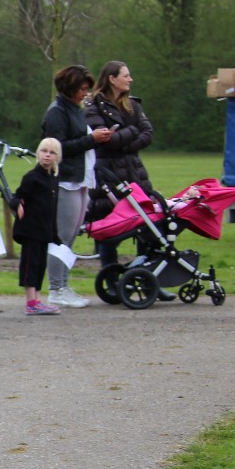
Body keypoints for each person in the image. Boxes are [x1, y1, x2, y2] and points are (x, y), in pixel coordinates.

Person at [42, 65, 111, 307]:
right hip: (65, 181)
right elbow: (58, 147)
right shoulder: (57, 112)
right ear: (70, 88)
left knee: (71, 237)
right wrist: (91, 139)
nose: (85, 93)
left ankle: (63, 284)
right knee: (62, 237)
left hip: (80, 179)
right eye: (82, 89)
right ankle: (56, 288)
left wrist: (93, 138)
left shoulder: (74, 109)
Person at [84, 60, 154, 268]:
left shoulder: (133, 105)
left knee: (146, 222)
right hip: (108, 175)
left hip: (135, 173)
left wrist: (123, 143)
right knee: (109, 228)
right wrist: (132, 131)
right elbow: (106, 140)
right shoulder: (93, 107)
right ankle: (110, 277)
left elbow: (148, 133)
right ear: (112, 79)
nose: (130, 79)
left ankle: (144, 273)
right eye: (126, 76)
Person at [14, 138, 63, 315]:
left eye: (52, 152)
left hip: (44, 231)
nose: (47, 155)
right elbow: (17, 196)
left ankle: (38, 300)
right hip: (30, 230)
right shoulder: (31, 178)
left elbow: (52, 209)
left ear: (57, 157)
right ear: (38, 153)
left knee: (41, 265)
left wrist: (54, 233)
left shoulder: (53, 180)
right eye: (44, 151)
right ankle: (31, 301)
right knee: (30, 264)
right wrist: (16, 204)